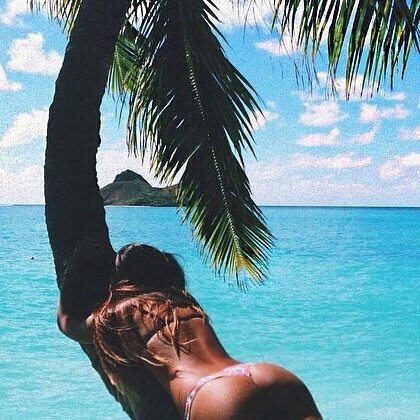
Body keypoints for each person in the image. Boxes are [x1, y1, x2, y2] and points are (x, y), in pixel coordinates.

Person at [57, 242, 322, 420]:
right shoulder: (184, 301)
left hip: (211, 393)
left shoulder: (124, 312)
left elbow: (68, 323)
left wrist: (75, 268)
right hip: (265, 374)